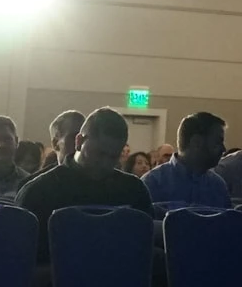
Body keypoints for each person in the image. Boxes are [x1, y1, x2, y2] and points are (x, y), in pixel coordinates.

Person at [15, 108, 152, 261]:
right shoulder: (38, 192)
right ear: (79, 142)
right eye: (99, 154)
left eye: (113, 157)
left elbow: (144, 252)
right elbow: (22, 264)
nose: (105, 163)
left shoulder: (134, 191)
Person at [144, 112, 233, 210]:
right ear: (196, 142)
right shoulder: (153, 183)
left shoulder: (217, 186)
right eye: (217, 142)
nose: (223, 149)